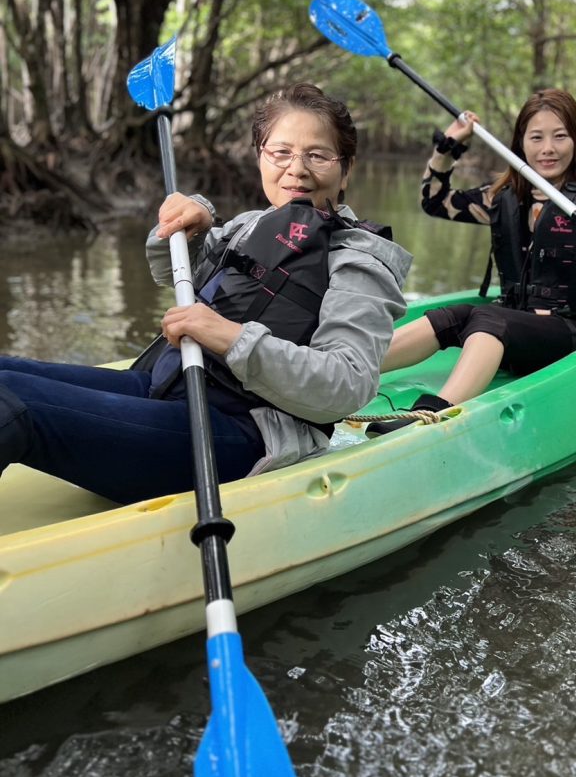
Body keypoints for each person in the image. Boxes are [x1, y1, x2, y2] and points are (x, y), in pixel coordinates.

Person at [0, 83, 412, 501]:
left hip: (241, 432)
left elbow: (348, 384)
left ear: (347, 168)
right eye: (281, 152)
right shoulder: (251, 224)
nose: (297, 168)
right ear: (261, 157)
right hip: (167, 386)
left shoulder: (359, 260)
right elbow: (176, 275)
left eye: (318, 155)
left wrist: (230, 337)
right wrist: (189, 225)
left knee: (11, 402)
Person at [367, 87, 576, 435]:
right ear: (520, 142)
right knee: (454, 316)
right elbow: (434, 201)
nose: (547, 148)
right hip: (509, 327)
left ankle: (433, 415)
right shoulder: (501, 196)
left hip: (569, 334)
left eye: (560, 137)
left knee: (489, 317)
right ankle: (347, 370)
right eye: (536, 137)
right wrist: (449, 146)